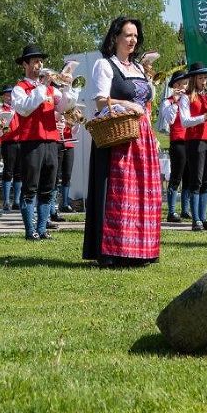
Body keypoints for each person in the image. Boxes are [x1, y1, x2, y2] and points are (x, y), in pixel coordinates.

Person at [82, 17, 161, 266]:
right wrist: (125, 103)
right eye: (128, 35)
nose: (132, 40)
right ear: (115, 37)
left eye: (135, 36)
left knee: (142, 193)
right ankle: (114, 251)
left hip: (143, 137)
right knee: (120, 193)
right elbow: (100, 100)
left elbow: (147, 103)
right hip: (119, 135)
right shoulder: (105, 66)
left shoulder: (138, 69)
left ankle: (140, 250)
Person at [11, 44, 77, 240]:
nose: (39, 65)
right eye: (35, 61)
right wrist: (42, 86)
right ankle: (30, 231)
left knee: (48, 186)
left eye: (41, 61)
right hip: (32, 142)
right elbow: (25, 109)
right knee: (30, 187)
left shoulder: (49, 89)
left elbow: (66, 106)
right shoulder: (19, 88)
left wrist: (67, 87)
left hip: (52, 141)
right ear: (25, 64)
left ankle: (42, 228)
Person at [179, 62, 207, 232]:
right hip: (196, 140)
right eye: (200, 78)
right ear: (193, 79)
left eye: (205, 78)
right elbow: (185, 121)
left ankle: (204, 218)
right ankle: (195, 219)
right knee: (196, 180)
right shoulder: (186, 97)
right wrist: (205, 116)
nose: (204, 81)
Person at [159, 69, 190, 223]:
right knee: (176, 176)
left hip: (191, 140)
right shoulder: (168, 101)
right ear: (176, 85)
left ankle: (185, 209)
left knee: (189, 176)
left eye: (186, 83)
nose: (186, 86)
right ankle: (171, 211)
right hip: (178, 141)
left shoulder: (189, 99)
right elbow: (170, 120)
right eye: (183, 83)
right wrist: (176, 101)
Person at [0, 85, 22, 211]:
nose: (10, 97)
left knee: (19, 172)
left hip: (20, 142)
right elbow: (1, 130)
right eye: (7, 95)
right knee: (8, 171)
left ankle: (16, 201)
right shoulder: (2, 111)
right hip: (8, 143)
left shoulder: (18, 109)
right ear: (3, 97)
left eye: (11, 95)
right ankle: (6, 201)